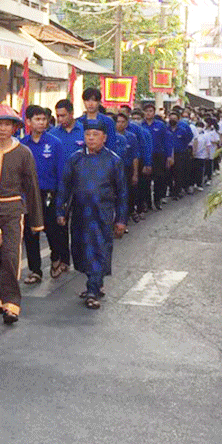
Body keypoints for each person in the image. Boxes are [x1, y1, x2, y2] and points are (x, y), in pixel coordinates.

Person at [0, 106, 43, 324]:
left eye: (7, 124)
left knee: (11, 256)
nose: (3, 128)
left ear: (15, 128)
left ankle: (11, 302)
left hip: (13, 210)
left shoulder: (24, 153)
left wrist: (36, 220)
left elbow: (31, 186)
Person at [57, 124, 128, 311]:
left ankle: (93, 290)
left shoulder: (114, 161)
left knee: (99, 249)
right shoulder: (75, 159)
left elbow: (122, 193)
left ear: (104, 137)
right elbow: (64, 186)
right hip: (79, 213)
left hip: (102, 214)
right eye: (87, 134)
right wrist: (60, 211)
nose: (91, 138)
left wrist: (121, 219)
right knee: (81, 250)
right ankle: (94, 282)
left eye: (95, 134)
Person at [20, 104, 70, 282]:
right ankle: (35, 271)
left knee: (52, 230)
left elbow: (61, 173)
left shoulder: (54, 143)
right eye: (37, 119)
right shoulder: (21, 145)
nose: (41, 123)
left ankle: (56, 258)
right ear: (28, 122)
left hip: (49, 194)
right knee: (30, 232)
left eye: (44, 119)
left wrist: (61, 199)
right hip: (28, 195)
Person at [141, 102, 173, 210]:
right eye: (146, 111)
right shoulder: (141, 126)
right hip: (145, 155)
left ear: (154, 112)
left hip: (158, 155)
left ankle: (157, 200)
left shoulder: (161, 125)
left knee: (159, 179)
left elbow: (167, 141)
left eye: (150, 111)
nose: (148, 113)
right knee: (145, 180)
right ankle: (147, 203)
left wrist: (169, 156)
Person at [114, 112, 142, 223]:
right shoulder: (110, 137)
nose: (120, 124)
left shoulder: (131, 137)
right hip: (114, 170)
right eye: (118, 122)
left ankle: (126, 217)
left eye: (122, 122)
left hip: (127, 169)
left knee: (127, 194)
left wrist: (135, 174)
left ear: (127, 123)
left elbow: (135, 156)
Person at [169, 109, 195, 199]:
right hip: (169, 154)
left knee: (179, 173)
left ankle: (177, 191)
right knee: (169, 173)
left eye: (174, 118)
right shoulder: (166, 128)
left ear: (178, 119)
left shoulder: (183, 128)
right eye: (171, 118)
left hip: (180, 154)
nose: (172, 120)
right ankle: (171, 190)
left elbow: (189, 137)